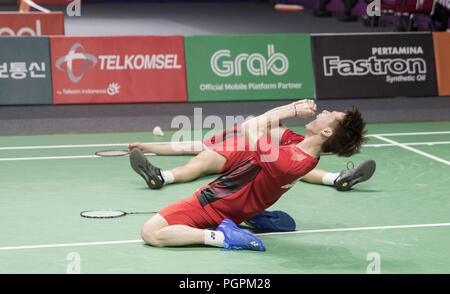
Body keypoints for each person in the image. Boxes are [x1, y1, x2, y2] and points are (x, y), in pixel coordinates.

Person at [136, 100, 368, 251]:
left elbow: (250, 127)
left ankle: (223, 237)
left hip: (214, 204)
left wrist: (294, 110)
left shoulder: (287, 161)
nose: (325, 110)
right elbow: (270, 125)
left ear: (327, 131)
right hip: (238, 207)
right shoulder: (302, 150)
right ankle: (251, 219)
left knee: (151, 233)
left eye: (331, 114)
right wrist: (291, 109)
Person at [128, 103, 375, 192]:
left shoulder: (276, 136)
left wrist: (293, 110)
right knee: (201, 161)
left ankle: (162, 177)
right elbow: (185, 146)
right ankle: (161, 177)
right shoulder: (234, 133)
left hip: (256, 155)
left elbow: (273, 121)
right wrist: (146, 146)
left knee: (294, 164)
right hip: (236, 154)